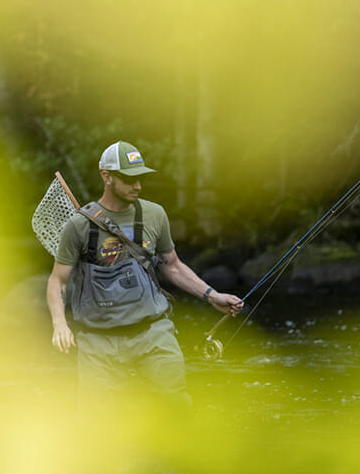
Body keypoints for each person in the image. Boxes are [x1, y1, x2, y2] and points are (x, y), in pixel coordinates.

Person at [46, 141, 244, 399]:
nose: (137, 185)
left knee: (176, 408)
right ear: (106, 177)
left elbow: (172, 266)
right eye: (129, 179)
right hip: (98, 342)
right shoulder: (79, 226)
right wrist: (59, 323)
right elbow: (57, 282)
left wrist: (213, 295)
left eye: (140, 177)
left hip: (153, 334)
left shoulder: (154, 215)